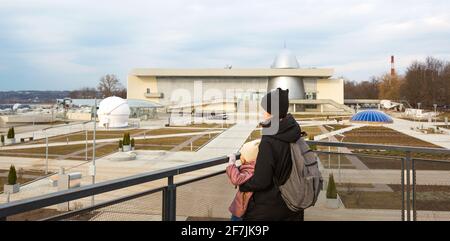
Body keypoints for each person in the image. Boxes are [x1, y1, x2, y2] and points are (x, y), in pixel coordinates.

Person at [238, 88, 304, 221]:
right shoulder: (295, 134)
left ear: (272, 112)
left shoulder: (270, 140)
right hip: (293, 205)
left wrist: (242, 184)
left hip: (270, 208)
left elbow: (262, 181)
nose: (263, 113)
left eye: (265, 109)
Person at [226, 139, 261, 221]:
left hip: (243, 207)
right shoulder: (259, 166)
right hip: (251, 206)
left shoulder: (250, 169)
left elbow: (236, 179)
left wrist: (231, 162)